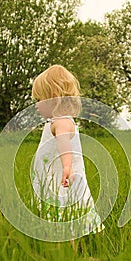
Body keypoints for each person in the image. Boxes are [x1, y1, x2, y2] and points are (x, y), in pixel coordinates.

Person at [31, 64, 104, 246]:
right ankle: (74, 244)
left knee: (66, 212)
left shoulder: (61, 122)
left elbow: (65, 144)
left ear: (52, 98)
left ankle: (70, 249)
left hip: (62, 178)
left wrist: (66, 166)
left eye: (39, 99)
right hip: (56, 176)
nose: (36, 106)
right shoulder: (56, 121)